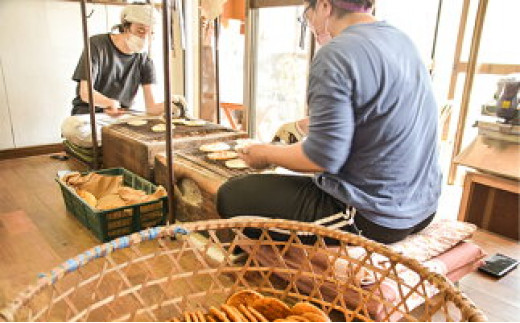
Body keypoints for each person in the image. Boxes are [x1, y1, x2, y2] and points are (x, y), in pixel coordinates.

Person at [216, 0, 442, 244]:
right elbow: (378, 112)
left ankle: (285, 264)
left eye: (307, 14)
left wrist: (266, 153)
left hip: (374, 216)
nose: (309, 23)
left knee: (232, 196)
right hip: (423, 207)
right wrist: (306, 125)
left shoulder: (336, 53)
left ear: (324, 6)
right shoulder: (401, 40)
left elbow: (322, 158)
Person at [71, 4, 165, 117]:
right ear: (126, 27)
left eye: (151, 33)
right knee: (71, 126)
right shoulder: (97, 45)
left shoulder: (145, 59)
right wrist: (108, 103)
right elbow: (85, 93)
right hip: (88, 115)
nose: (145, 37)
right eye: (140, 30)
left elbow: (151, 108)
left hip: (120, 117)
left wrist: (172, 104)